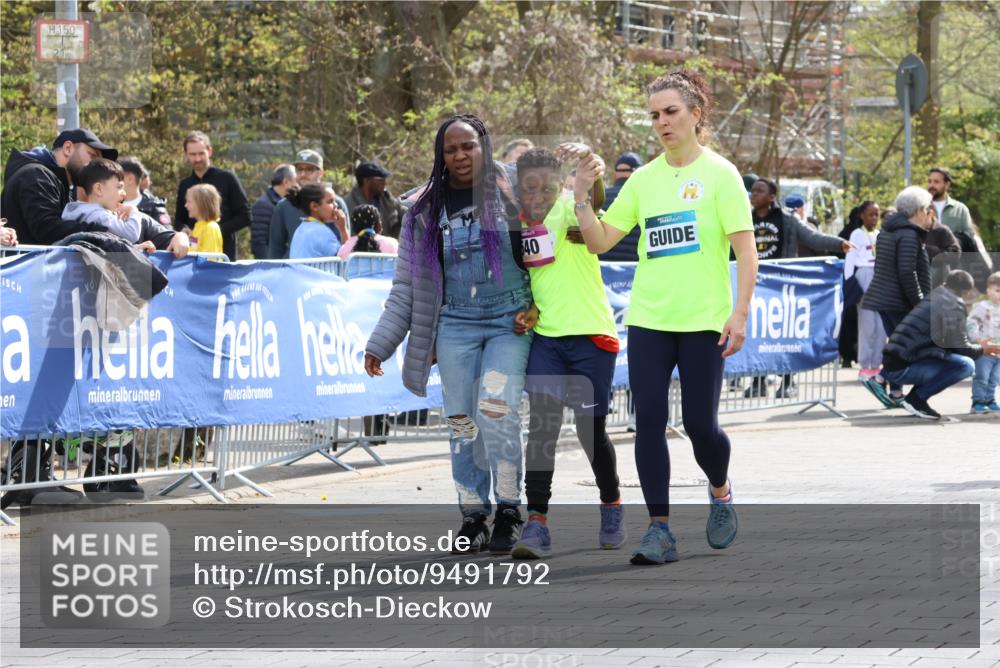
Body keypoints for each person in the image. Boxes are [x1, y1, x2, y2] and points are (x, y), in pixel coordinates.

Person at [570, 70, 758, 564]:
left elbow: (746, 250)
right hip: (651, 318)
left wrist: (739, 313)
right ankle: (660, 530)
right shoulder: (644, 180)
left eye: (671, 112)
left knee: (701, 426)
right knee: (647, 420)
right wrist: (581, 198)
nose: (662, 123)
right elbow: (600, 241)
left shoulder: (722, 175)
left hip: (704, 322)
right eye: (654, 115)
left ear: (696, 115)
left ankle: (719, 488)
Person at [364, 115, 532, 556]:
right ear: (441, 155)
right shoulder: (423, 211)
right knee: (461, 421)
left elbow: (556, 247)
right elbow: (406, 285)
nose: (460, 155)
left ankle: (511, 509)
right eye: (450, 149)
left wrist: (539, 307)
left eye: (468, 146)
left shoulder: (516, 190)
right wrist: (381, 343)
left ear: (484, 146)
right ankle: (473, 515)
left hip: (509, 320)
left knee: (496, 411)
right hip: (455, 323)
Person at [501, 147, 623, 559]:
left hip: (591, 339)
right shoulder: (516, 226)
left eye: (546, 188)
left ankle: (611, 503)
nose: (537, 196)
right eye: (528, 188)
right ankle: (537, 523)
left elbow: (598, 200)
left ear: (560, 185)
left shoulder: (573, 211)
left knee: (591, 433)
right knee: (542, 431)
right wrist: (528, 311)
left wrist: (591, 166)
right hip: (548, 342)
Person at [742, 177, 852, 398]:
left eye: (760, 191)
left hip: (780, 285)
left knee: (782, 335)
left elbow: (812, 237)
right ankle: (758, 381)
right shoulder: (745, 219)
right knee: (757, 334)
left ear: (772, 197)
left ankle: (788, 381)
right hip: (754, 285)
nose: (754, 194)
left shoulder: (788, 220)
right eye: (753, 191)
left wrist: (838, 244)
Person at [881, 270, 999, 419]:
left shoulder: (936, 295)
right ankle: (916, 399)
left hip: (894, 364)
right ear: (966, 292)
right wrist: (983, 349)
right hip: (902, 368)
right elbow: (961, 347)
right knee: (966, 365)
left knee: (955, 360)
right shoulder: (953, 304)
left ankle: (915, 398)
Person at [861, 186, 934, 408]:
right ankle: (880, 378)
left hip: (885, 298)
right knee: (906, 346)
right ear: (919, 210)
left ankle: (894, 392)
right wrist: (919, 303)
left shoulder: (887, 231)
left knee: (897, 344)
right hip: (898, 300)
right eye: (927, 209)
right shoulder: (910, 234)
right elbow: (907, 272)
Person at [1, 128, 117, 245]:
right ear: (68, 148)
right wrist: (108, 230)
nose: (96, 166)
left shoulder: (54, 181)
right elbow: (47, 229)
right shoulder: (36, 175)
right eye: (93, 156)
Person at [174, 131, 251, 261]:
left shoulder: (227, 178)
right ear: (186, 155)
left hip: (224, 253)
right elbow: (179, 220)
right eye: (193, 154)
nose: (197, 159)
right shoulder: (185, 184)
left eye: (201, 153)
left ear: (209, 151)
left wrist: (213, 231)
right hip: (192, 253)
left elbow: (246, 216)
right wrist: (185, 231)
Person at [268, 149, 350, 258]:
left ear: (321, 172)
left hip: (328, 271)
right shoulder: (283, 206)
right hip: (293, 271)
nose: (303, 174)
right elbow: (276, 248)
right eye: (299, 169)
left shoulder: (337, 203)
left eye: (309, 170)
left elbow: (344, 248)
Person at [843, 201, 886, 382]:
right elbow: (850, 259)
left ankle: (877, 363)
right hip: (864, 274)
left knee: (881, 324)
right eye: (870, 214)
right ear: (861, 215)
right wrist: (849, 281)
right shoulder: (856, 234)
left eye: (877, 215)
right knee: (867, 323)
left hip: (879, 275)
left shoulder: (879, 234)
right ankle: (865, 364)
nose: (874, 218)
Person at [60, 159, 143, 242]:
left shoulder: (80, 212)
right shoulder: (100, 217)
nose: (124, 193)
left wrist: (136, 248)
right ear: (99, 189)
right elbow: (132, 234)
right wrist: (133, 211)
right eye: (119, 187)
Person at [597, 152, 644, 262]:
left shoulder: (599, 198)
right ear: (639, 174)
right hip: (634, 269)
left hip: (602, 269)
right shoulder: (645, 197)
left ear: (615, 175)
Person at [343, 161, 408, 239]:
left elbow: (405, 212)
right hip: (360, 249)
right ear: (366, 181)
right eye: (380, 179)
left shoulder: (386, 199)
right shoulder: (347, 204)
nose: (384, 183)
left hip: (386, 249)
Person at [967, 272, 1000, 413]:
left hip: (998, 350)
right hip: (985, 350)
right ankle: (978, 402)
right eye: (997, 290)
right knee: (982, 376)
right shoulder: (982, 306)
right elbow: (971, 323)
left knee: (994, 377)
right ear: (988, 291)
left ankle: (990, 399)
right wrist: (978, 340)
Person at [287, 183, 347, 259]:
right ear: (314, 206)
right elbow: (345, 260)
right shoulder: (322, 232)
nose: (336, 205)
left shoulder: (301, 228)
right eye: (330, 202)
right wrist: (343, 229)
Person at [251, 164, 296, 259]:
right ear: (286, 182)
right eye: (295, 181)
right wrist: (269, 267)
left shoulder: (289, 204)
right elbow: (259, 242)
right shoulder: (263, 205)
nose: (297, 185)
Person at [119, 157, 171, 228]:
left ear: (130, 179)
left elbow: (167, 234)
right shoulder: (111, 204)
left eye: (118, 177)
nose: (114, 181)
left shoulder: (154, 207)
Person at [927, 167, 975, 238]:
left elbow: (969, 237)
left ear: (947, 185)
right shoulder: (921, 208)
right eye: (930, 181)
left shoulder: (960, 209)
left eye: (936, 182)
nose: (931, 185)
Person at [183, 184, 224, 255]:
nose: (186, 205)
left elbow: (210, 259)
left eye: (189, 201)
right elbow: (193, 249)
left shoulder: (210, 228)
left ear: (201, 204)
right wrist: (187, 238)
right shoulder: (198, 226)